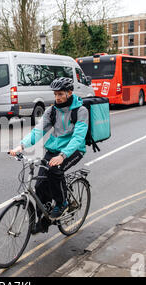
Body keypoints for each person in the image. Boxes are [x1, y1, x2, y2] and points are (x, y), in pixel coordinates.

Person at [9, 77, 89, 234]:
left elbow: (78, 137)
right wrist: (21, 146)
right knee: (39, 185)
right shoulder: (52, 111)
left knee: (55, 171)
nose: (57, 98)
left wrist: (63, 155)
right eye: (55, 94)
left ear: (69, 93)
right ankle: (44, 221)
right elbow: (38, 130)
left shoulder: (81, 111)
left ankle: (62, 203)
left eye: (60, 94)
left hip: (74, 150)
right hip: (54, 149)